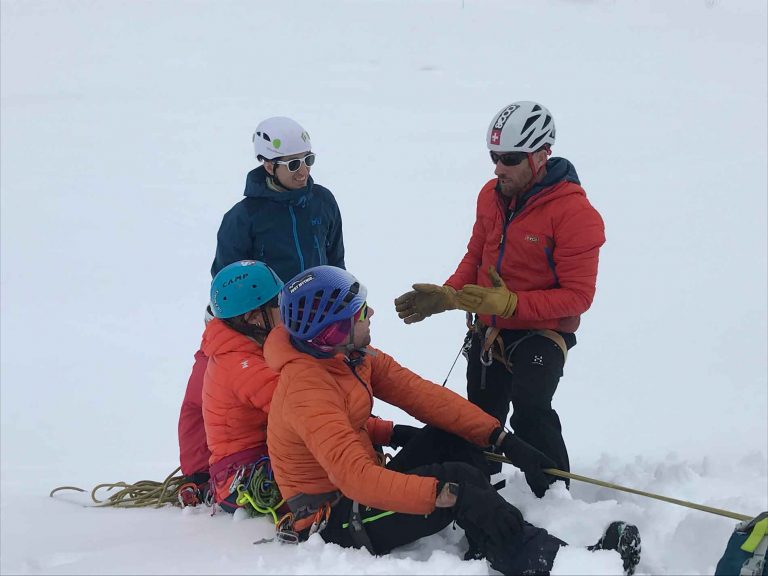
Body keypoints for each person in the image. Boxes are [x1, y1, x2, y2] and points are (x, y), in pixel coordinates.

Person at [264, 266, 639, 576]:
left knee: (458, 438)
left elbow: (424, 396)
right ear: (334, 331)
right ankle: (550, 564)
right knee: (459, 483)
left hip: (358, 491)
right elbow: (356, 479)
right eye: (361, 312)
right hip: (335, 519)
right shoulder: (306, 390)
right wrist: (442, 494)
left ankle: (488, 535)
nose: (371, 315)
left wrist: (499, 438)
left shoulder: (349, 355)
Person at [394, 101, 605, 496]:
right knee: (481, 418)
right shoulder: (490, 196)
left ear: (541, 155)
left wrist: (512, 305)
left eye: (509, 158)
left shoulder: (575, 214)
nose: (497, 168)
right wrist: (449, 294)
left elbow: (578, 297)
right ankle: (480, 493)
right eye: (494, 157)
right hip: (489, 330)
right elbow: (477, 255)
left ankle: (555, 495)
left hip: (541, 333)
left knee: (531, 412)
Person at [177, 116, 346, 491]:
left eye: (309, 160)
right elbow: (227, 285)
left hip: (318, 322)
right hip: (267, 328)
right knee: (225, 391)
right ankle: (203, 474)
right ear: (267, 165)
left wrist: (341, 310)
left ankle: (342, 456)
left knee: (334, 387)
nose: (303, 171)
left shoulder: (322, 202)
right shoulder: (242, 219)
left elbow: (335, 260)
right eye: (293, 164)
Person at [197, 259, 411, 514]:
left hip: (266, 457)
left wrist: (386, 433)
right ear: (254, 317)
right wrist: (387, 433)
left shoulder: (253, 346)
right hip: (244, 478)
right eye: (277, 303)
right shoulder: (240, 365)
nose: (286, 308)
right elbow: (313, 413)